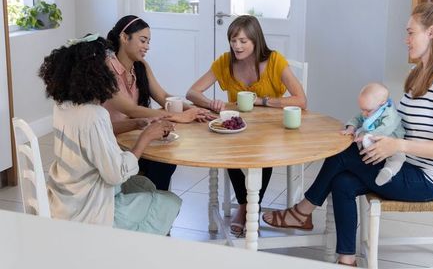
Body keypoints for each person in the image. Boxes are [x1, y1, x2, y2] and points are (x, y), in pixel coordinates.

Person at [262, 2, 433, 266]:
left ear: (431, 33)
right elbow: (397, 120)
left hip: (426, 180)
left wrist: (396, 145)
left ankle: (303, 211)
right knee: (342, 180)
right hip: (405, 166)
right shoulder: (419, 75)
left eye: (410, 32)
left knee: (344, 153)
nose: (406, 39)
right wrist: (366, 128)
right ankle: (347, 259)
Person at [39, 34, 181, 235]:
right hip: (91, 212)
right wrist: (146, 137)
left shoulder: (64, 106)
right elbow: (115, 174)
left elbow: (93, 137)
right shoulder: (95, 115)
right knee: (169, 201)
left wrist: (138, 124)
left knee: (145, 184)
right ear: (96, 74)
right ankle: (133, 250)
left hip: (67, 199)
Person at [186, 15, 307, 235]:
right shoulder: (225, 62)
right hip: (238, 129)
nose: (237, 46)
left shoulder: (274, 61)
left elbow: (301, 100)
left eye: (243, 41)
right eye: (233, 40)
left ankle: (247, 206)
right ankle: (246, 205)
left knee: (264, 154)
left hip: (270, 130)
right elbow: (192, 92)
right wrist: (210, 103)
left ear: (255, 41)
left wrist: (262, 101)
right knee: (229, 149)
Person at [103, 15, 215, 191]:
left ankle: (152, 201)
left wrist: (193, 109)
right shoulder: (106, 69)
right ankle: (147, 200)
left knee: (167, 156)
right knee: (161, 160)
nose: (147, 46)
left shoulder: (141, 66)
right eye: (143, 40)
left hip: (134, 133)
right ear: (124, 38)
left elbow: (163, 96)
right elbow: (131, 109)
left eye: (148, 41)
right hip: (114, 138)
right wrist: (180, 116)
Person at [342, 82, 406, 186]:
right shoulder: (369, 109)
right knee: (354, 141)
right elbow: (357, 118)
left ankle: (388, 172)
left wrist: (368, 135)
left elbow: (385, 129)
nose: (364, 113)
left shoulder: (390, 114)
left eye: (367, 110)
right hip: (373, 141)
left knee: (399, 157)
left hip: (391, 142)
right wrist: (351, 127)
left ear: (382, 102)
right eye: (362, 109)